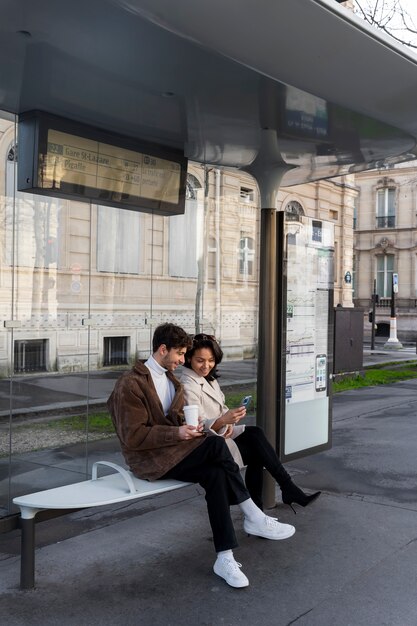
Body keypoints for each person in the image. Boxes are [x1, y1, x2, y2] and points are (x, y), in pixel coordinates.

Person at [107, 323, 295, 589]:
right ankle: (253, 515)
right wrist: (178, 434)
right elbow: (133, 437)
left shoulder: (171, 380)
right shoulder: (131, 384)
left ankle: (225, 557)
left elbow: (177, 422)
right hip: (148, 461)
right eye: (180, 354)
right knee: (216, 447)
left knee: (216, 473)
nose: (183, 361)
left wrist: (190, 427)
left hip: (173, 453)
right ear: (163, 350)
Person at [181, 333, 321, 513]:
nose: (206, 365)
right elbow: (198, 425)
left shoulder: (209, 379)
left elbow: (220, 408)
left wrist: (230, 418)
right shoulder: (188, 384)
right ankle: (279, 496)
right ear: (189, 358)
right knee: (257, 450)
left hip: (223, 435)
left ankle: (270, 502)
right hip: (209, 445)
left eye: (211, 360)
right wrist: (224, 421)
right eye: (200, 360)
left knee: (255, 433)